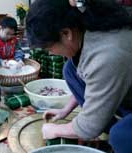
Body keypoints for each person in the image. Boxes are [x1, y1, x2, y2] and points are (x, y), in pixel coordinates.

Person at [26, 0, 132, 152]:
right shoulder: (88, 26)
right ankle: (106, 124)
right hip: (122, 87)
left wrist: (55, 130)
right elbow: (95, 81)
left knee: (121, 136)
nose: (50, 53)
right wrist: (65, 110)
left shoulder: (107, 55)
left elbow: (88, 128)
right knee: (70, 69)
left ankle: (113, 130)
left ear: (66, 33)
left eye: (49, 48)